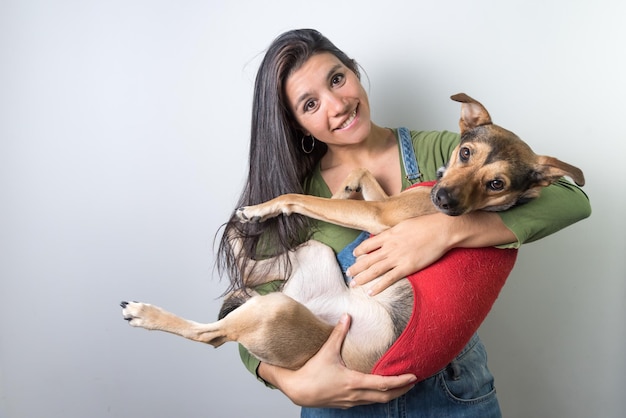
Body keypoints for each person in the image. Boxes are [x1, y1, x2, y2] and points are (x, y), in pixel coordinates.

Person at [216, 28, 591, 417]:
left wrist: (447, 229)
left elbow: (572, 200)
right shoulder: (295, 196)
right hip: (342, 398)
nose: (337, 105)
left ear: (355, 72)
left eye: (337, 79)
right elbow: (245, 311)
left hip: (452, 393)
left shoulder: (446, 152)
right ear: (296, 124)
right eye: (310, 104)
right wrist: (290, 382)